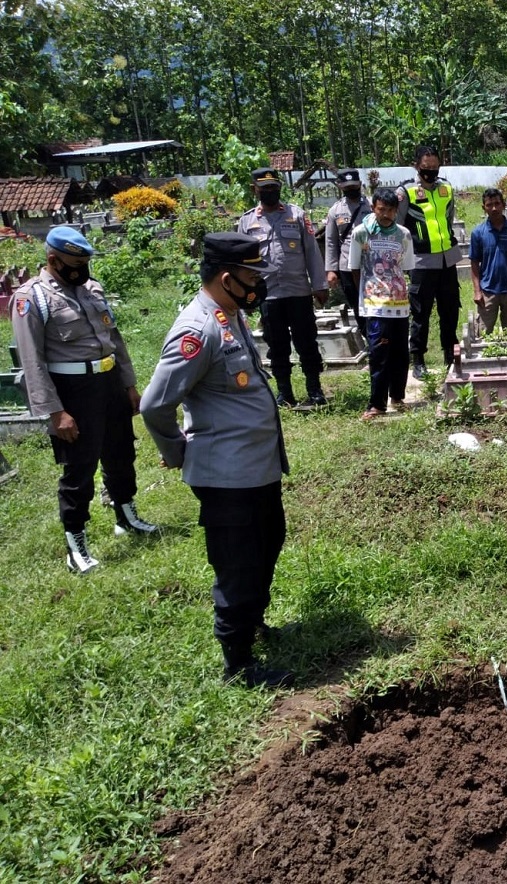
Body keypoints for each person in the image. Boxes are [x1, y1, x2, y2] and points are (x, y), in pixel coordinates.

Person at [140, 233, 292, 689]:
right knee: (238, 563)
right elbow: (154, 404)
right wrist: (179, 452)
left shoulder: (229, 315)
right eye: (251, 278)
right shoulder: (197, 329)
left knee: (268, 544)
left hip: (255, 468)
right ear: (227, 278)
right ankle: (238, 663)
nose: (257, 286)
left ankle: (253, 622)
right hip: (227, 476)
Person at [10, 226, 158, 573]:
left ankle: (126, 515)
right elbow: (32, 361)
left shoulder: (91, 289)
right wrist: (55, 412)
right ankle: (75, 542)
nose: (81, 269)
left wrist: (129, 386)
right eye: (74, 262)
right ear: (52, 259)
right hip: (72, 390)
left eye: (84, 262)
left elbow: (115, 340)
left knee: (121, 452)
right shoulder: (32, 298)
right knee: (80, 468)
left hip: (108, 382)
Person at [237, 167, 329, 408]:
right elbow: (242, 262)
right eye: (265, 188)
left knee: (307, 342)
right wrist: (244, 293)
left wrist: (319, 285)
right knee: (276, 346)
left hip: (298, 292)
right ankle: (285, 393)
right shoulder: (247, 221)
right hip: (269, 295)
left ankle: (314, 389)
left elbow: (311, 252)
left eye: (274, 187)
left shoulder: (296, 215)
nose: (270, 191)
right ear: (254, 190)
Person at [395, 145, 462, 380]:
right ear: (416, 166)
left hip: (447, 260)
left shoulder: (446, 189)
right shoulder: (406, 192)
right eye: (426, 168)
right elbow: (398, 228)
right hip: (421, 262)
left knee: (450, 311)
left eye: (435, 168)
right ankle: (419, 359)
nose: (431, 173)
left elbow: (448, 218)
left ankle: (449, 355)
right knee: (420, 313)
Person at [348, 188, 415, 421]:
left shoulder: (404, 235)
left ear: (396, 211)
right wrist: (366, 295)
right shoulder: (361, 233)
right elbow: (355, 268)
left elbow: (405, 266)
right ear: (374, 208)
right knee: (379, 354)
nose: (385, 214)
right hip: (375, 305)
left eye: (390, 210)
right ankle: (377, 404)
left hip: (400, 304)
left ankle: (397, 397)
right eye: (381, 210)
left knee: (400, 354)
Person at [469, 188, 507, 334]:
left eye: (497, 203)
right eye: (489, 205)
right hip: (487, 292)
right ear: (484, 208)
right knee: (483, 334)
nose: (494, 208)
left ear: (503, 205)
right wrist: (477, 291)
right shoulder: (478, 233)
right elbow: (474, 264)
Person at [324, 168, 371, 337]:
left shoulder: (371, 206)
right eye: (347, 186)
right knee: (357, 304)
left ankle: (378, 335)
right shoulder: (335, 211)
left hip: (371, 263)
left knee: (374, 300)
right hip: (347, 267)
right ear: (340, 186)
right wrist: (331, 269)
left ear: (360, 184)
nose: (352, 189)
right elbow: (330, 241)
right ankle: (367, 336)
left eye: (354, 186)